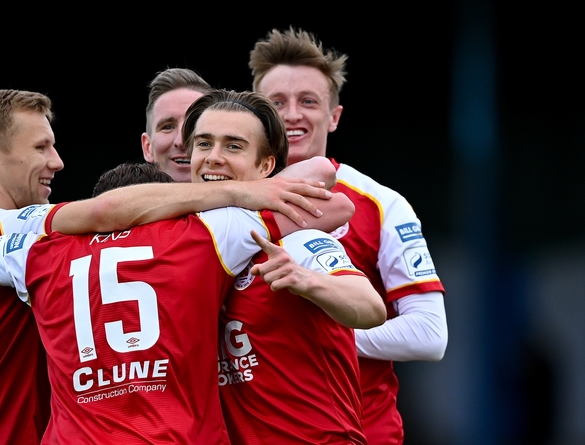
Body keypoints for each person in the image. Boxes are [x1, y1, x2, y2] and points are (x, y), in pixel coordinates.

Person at [0, 88, 335, 443]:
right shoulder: (199, 235)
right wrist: (242, 192)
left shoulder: (16, 246)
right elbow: (331, 197)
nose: (57, 161)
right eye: (42, 147)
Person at [249, 26, 449, 444]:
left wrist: (313, 338)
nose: (292, 115)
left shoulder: (380, 203)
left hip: (360, 431)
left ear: (334, 116)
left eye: (308, 101)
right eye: (276, 103)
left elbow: (430, 334)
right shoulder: (228, 201)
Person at [182, 88, 386, 444]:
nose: (213, 158)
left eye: (233, 146)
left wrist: (305, 279)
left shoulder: (293, 238)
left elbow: (369, 308)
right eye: (203, 144)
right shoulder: (185, 248)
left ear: (265, 166)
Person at [140, 68, 211, 182]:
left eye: (194, 125)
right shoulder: (114, 198)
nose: (182, 141)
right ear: (147, 147)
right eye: (167, 127)